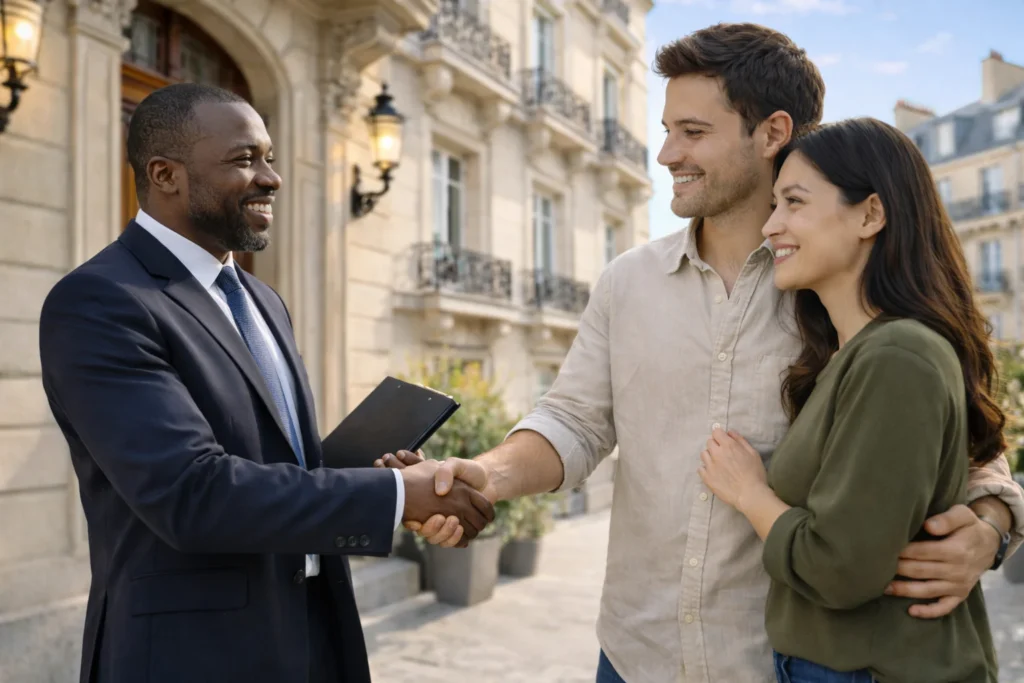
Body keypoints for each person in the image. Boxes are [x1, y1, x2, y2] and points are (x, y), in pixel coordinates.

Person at [379, 23, 1024, 682]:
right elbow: (572, 419)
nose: (665, 153)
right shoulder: (627, 282)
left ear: (772, 133)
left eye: (692, 132)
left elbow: (963, 439)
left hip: (778, 663)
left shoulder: (839, 289)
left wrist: (992, 523)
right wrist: (489, 474)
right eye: (665, 129)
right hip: (636, 653)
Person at [38, 83, 494, 683]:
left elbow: (278, 464)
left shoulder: (262, 299)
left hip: (313, 632)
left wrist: (377, 482)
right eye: (244, 159)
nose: (272, 178)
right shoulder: (100, 301)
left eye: (270, 157)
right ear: (164, 174)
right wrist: (400, 497)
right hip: (190, 654)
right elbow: (190, 494)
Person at [698, 117, 1001, 682]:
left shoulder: (897, 357)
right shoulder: (851, 355)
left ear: (870, 214)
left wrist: (750, 493)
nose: (771, 226)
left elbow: (839, 570)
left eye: (793, 202)